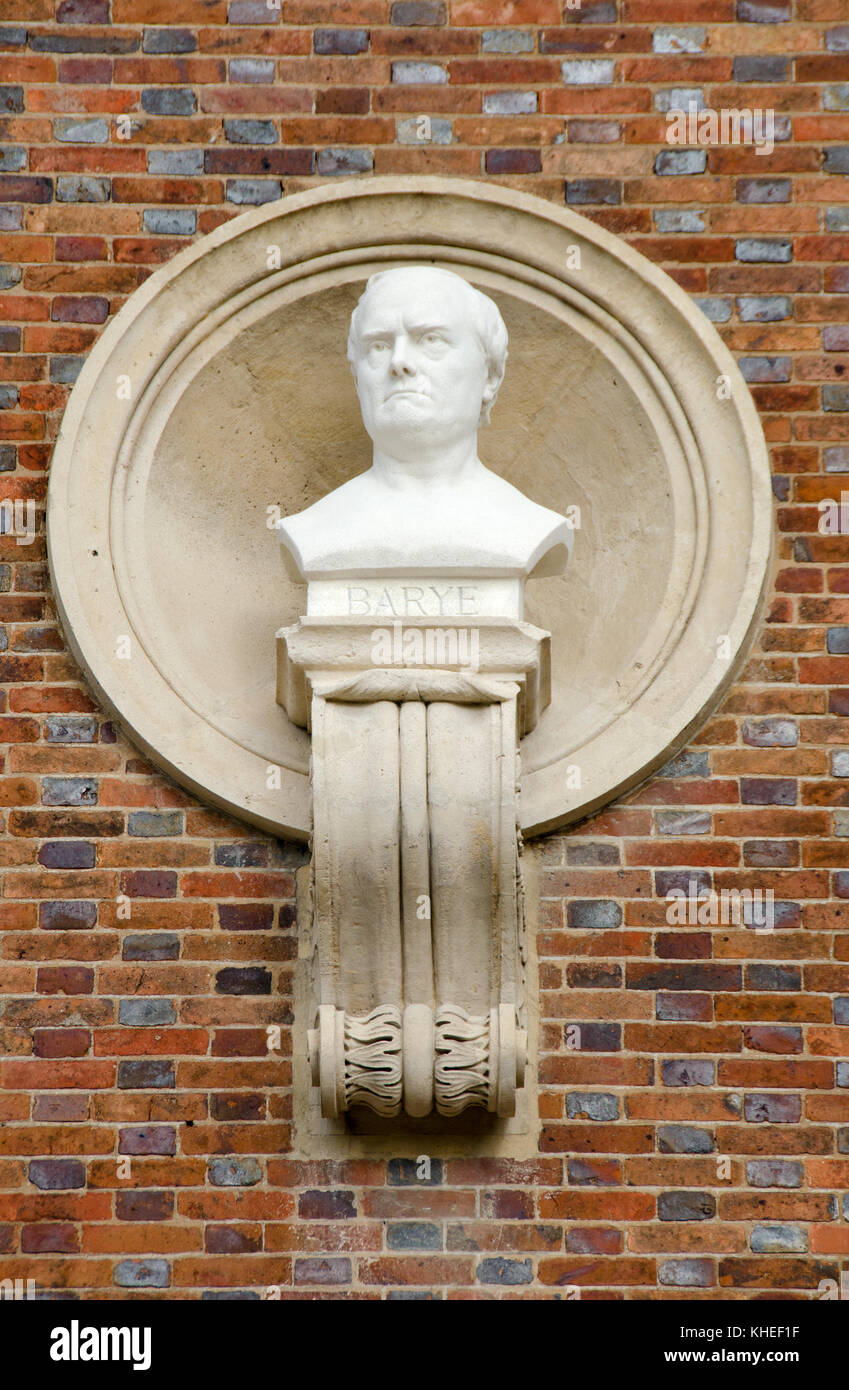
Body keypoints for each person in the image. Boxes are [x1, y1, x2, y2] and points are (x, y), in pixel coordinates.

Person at [277, 265, 572, 582]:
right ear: (357, 378)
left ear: (490, 376)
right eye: (379, 346)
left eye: (431, 339)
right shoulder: (315, 530)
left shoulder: (525, 525)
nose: (399, 361)